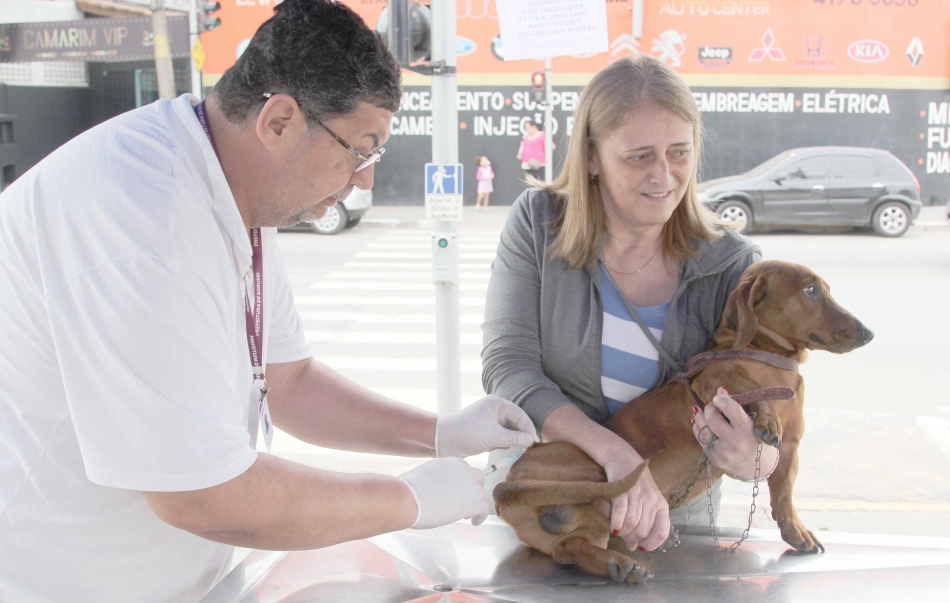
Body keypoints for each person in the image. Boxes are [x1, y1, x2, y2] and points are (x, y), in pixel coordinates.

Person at [0, 2, 537, 601]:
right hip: (62, 584)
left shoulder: (235, 191)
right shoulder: (147, 222)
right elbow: (203, 494)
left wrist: (439, 433)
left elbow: (288, 383)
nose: (364, 180)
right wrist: (411, 499)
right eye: (360, 150)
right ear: (278, 120)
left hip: (182, 577)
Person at [482, 55, 775, 553]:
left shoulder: (733, 263)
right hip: (552, 505)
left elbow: (768, 432)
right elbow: (508, 369)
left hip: (671, 521)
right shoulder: (538, 222)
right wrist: (614, 454)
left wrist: (752, 458)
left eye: (679, 152)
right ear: (592, 156)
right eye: (639, 156)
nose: (664, 176)